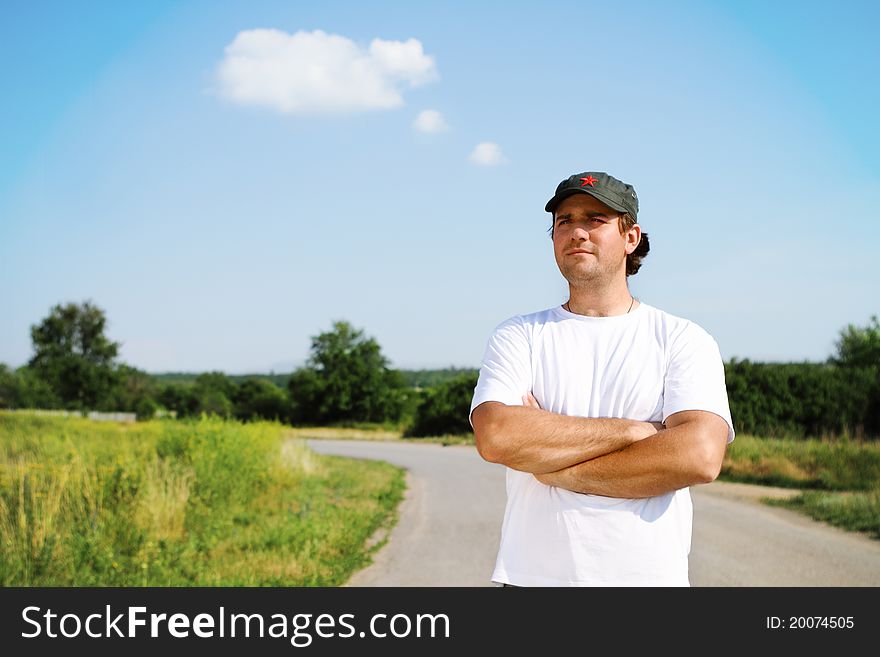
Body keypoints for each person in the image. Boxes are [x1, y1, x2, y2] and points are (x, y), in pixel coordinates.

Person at [469, 170, 735, 586]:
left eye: (595, 219)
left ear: (631, 237)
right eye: (564, 221)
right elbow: (497, 436)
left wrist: (555, 469)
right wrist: (634, 432)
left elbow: (698, 456)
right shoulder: (519, 335)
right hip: (531, 580)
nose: (576, 231)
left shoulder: (682, 339)